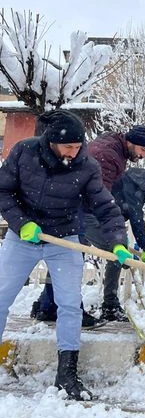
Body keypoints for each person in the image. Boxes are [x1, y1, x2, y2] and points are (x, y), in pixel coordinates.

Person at [0, 110, 133, 401]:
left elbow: (106, 207)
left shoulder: (86, 166)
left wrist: (117, 243)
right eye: (68, 147)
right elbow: (3, 191)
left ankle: (67, 374)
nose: (74, 153)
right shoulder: (24, 152)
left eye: (78, 146)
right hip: (24, 236)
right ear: (51, 142)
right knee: (1, 297)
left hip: (64, 237)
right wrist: (22, 224)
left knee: (70, 305)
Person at [31, 124, 145, 324]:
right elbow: (99, 195)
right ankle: (74, 310)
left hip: (71, 206)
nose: (143, 156)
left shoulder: (114, 146)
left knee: (66, 260)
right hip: (77, 210)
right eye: (143, 150)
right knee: (73, 261)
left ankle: (46, 306)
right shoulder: (109, 155)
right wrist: (112, 233)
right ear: (131, 142)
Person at [84, 159, 145, 322]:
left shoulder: (141, 184)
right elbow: (136, 216)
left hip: (105, 222)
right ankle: (109, 306)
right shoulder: (134, 184)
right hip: (91, 219)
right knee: (117, 254)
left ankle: (109, 305)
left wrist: (144, 248)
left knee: (118, 255)